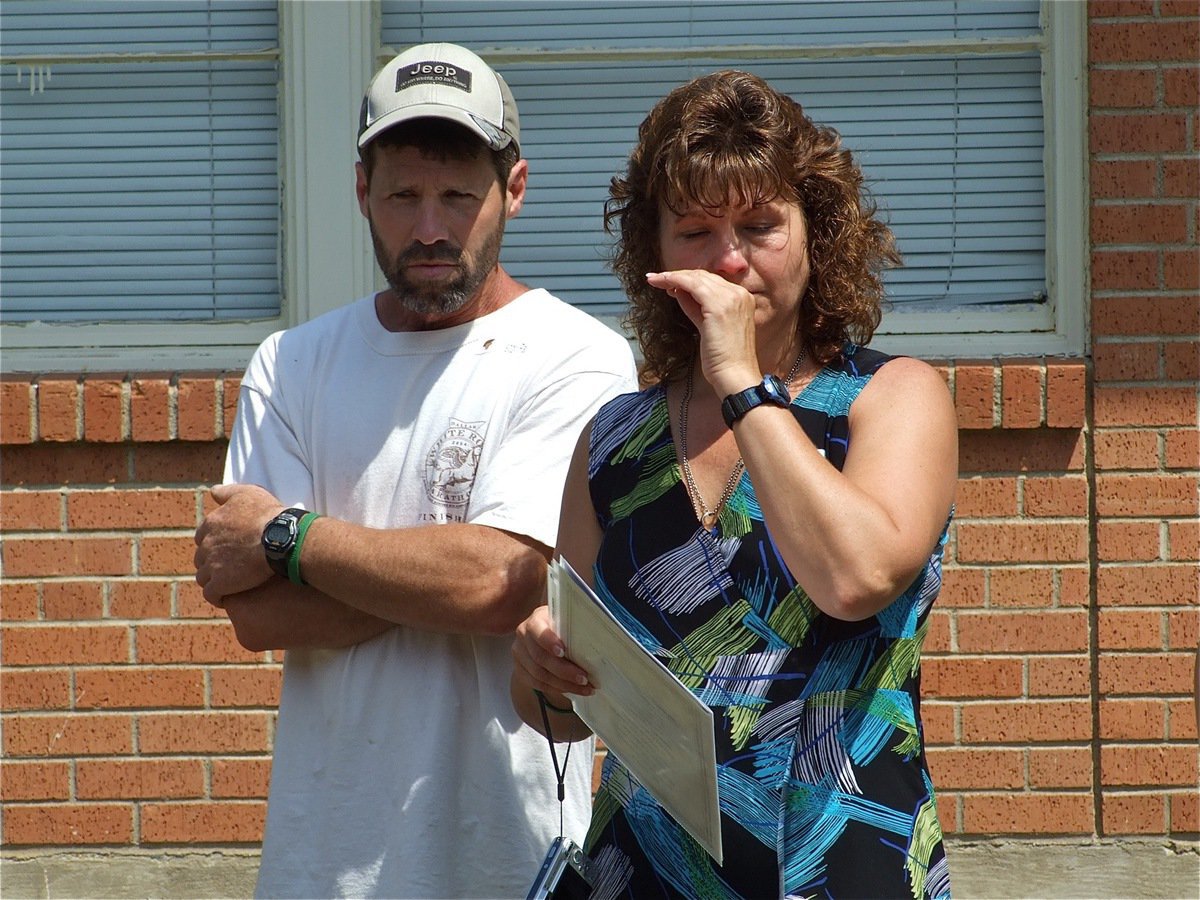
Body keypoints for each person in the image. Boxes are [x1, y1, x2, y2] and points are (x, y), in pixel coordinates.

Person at [193, 42, 638, 898]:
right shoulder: (292, 364)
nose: (429, 228)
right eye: (403, 195)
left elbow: (502, 587)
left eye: (457, 196)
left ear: (513, 189)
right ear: (363, 190)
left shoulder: (576, 358)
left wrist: (285, 536)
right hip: (324, 863)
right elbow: (261, 618)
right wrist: (439, 575)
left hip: (509, 859)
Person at [511, 69, 958, 898]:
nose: (729, 260)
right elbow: (564, 710)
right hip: (643, 871)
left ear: (815, 233)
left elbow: (854, 578)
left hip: (837, 863)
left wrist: (742, 386)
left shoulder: (891, 398)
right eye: (695, 231)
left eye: (760, 226)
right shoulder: (614, 440)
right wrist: (542, 668)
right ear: (654, 255)